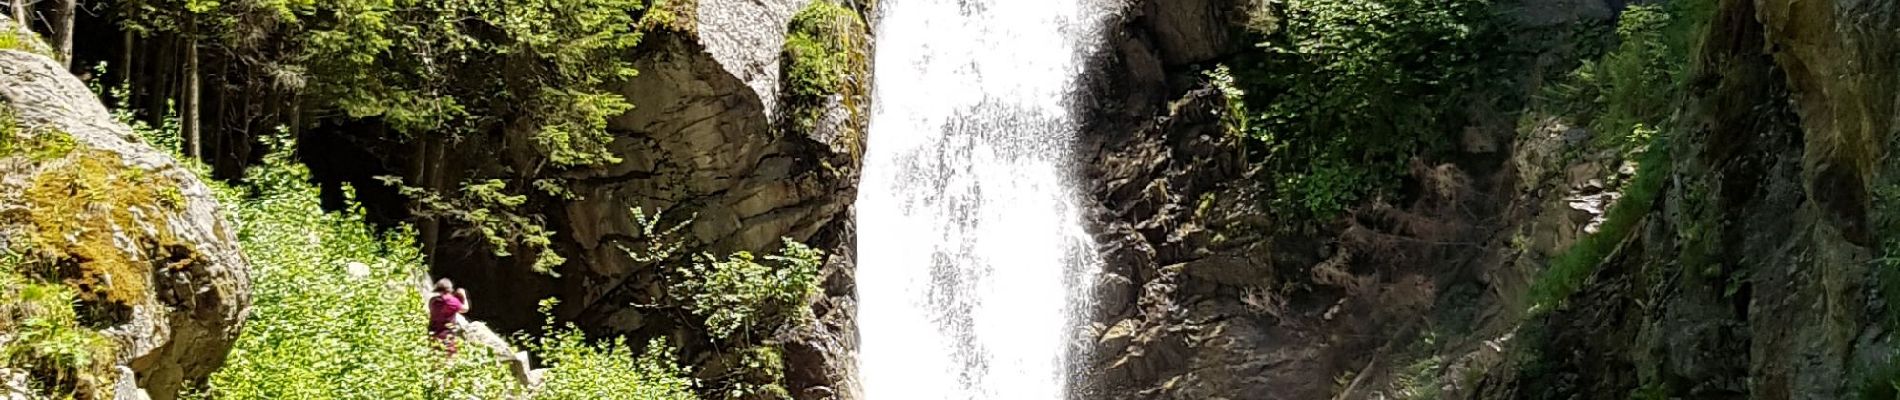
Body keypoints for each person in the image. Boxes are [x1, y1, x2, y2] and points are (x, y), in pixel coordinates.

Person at [428, 278, 469, 357]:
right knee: (448, 359)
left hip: (433, 334)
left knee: (434, 358)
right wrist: (463, 296)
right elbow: (465, 309)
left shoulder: (433, 301)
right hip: (447, 336)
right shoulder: (453, 301)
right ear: (450, 288)